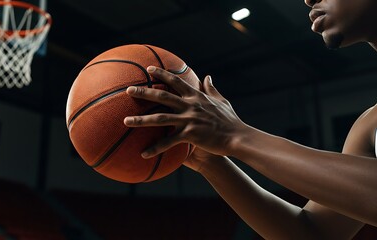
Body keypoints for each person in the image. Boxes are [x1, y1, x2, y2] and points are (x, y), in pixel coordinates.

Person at [123, 0, 377, 238]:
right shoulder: (369, 123)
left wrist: (234, 136)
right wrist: (210, 162)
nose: (309, 0)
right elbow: (313, 232)